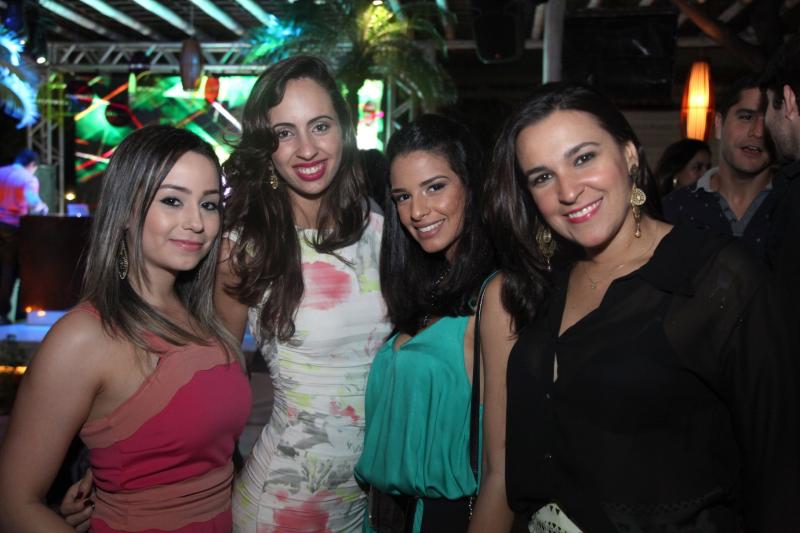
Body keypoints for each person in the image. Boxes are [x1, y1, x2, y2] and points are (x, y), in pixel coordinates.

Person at [484, 82, 800, 532]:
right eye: (542, 177)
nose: (568, 190)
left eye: (583, 158)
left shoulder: (719, 280)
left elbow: (781, 480)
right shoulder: (539, 284)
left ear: (629, 155)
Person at [0, 125, 251, 532]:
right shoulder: (85, 337)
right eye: (172, 200)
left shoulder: (203, 316)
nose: (197, 222)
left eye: (209, 204)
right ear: (126, 211)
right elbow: (14, 505)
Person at [215, 55, 391, 531]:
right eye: (284, 133)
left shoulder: (380, 229)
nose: (307, 149)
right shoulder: (243, 248)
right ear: (266, 147)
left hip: (366, 504)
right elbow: (217, 378)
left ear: (344, 129)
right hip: (282, 503)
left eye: (320, 126)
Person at [354, 115, 517, 532]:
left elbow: (503, 471)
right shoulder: (427, 284)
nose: (417, 211)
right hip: (384, 516)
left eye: (435, 187)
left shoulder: (495, 294)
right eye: (402, 196)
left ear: (471, 185)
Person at [663, 75, 780, 261]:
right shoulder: (673, 209)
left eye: (768, 122)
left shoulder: (791, 204)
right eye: (746, 117)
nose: (758, 132)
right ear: (718, 124)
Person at [0, 149, 48, 323]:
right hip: (13, 227)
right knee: (11, 269)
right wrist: (43, 208)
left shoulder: (1, 172)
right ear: (32, 165)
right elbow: (33, 202)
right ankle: (14, 314)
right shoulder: (28, 178)